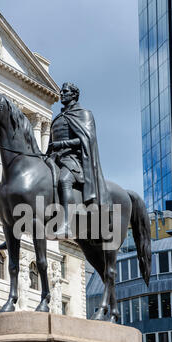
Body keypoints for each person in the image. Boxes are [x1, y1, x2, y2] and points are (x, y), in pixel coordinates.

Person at [47, 82, 111, 237]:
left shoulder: (84, 114)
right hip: (55, 158)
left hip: (73, 160)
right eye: (61, 91)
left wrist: (61, 144)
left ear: (74, 94)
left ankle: (67, 223)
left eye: (66, 91)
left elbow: (87, 140)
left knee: (64, 181)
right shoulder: (58, 118)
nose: (62, 94)